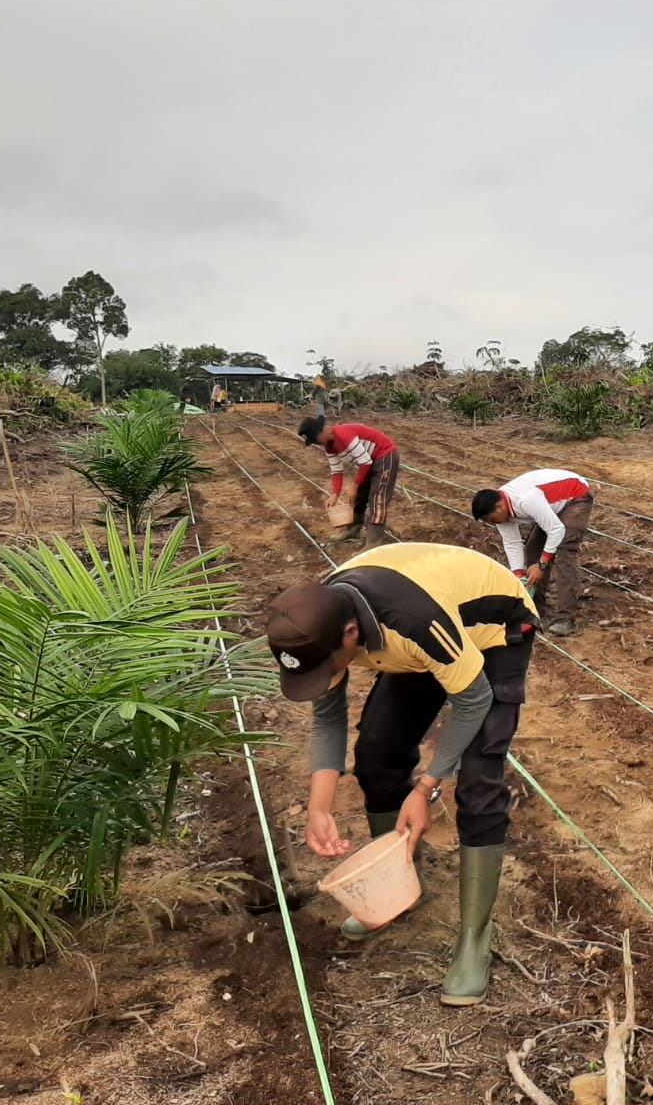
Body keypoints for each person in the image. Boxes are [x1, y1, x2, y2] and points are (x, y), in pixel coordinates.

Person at [266, 542, 539, 1006]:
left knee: (477, 781)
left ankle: (475, 937)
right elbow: (328, 716)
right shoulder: (316, 625)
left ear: (352, 633)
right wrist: (319, 806)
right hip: (428, 638)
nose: (324, 677)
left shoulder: (412, 621)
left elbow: (473, 699)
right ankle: (401, 886)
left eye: (327, 666)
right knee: (377, 751)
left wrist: (427, 788)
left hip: (494, 631)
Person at [470, 470, 593, 636]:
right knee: (533, 551)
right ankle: (536, 613)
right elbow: (512, 543)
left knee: (565, 551)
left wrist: (541, 565)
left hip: (576, 494)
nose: (493, 524)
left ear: (499, 507)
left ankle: (565, 619)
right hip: (550, 505)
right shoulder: (501, 511)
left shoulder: (526, 500)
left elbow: (556, 530)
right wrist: (519, 575)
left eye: (492, 520)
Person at [298, 417, 399, 545]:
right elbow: (336, 471)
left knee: (378, 499)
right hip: (370, 460)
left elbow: (365, 461)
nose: (317, 443)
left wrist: (355, 485)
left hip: (385, 455)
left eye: (316, 440)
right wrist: (335, 494)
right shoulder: (329, 447)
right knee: (359, 497)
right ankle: (353, 531)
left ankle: (374, 542)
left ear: (323, 431)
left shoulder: (344, 435)